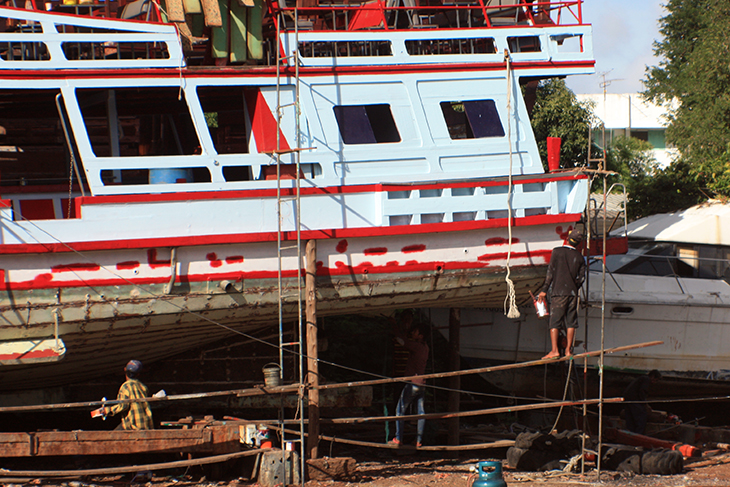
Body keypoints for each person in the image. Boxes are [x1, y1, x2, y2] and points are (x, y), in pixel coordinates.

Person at [538, 228, 586, 359]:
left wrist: (544, 290)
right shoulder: (580, 258)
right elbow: (581, 278)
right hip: (573, 294)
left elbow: (550, 273)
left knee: (555, 322)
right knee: (571, 322)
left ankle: (554, 351)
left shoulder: (557, 251)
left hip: (559, 293)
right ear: (578, 243)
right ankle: (568, 351)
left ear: (567, 239)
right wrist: (573, 287)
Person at [389, 311, 429, 448]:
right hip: (422, 383)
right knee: (420, 412)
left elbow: (402, 341)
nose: (413, 333)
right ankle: (418, 440)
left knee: (400, 410)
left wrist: (394, 326)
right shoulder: (425, 348)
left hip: (412, 383)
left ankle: (399, 438)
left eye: (416, 332)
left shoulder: (416, 346)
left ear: (421, 336)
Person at [104, 360, 154, 430]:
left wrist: (107, 410)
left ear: (124, 369)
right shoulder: (142, 386)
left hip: (133, 425)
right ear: (138, 374)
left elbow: (123, 405)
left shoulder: (125, 386)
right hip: (145, 424)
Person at [623, 369, 661, 434]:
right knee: (642, 415)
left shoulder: (640, 379)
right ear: (652, 376)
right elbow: (642, 391)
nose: (654, 382)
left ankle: (630, 432)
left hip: (628, 399)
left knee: (630, 418)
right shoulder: (646, 379)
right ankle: (638, 433)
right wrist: (644, 404)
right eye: (656, 380)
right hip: (634, 399)